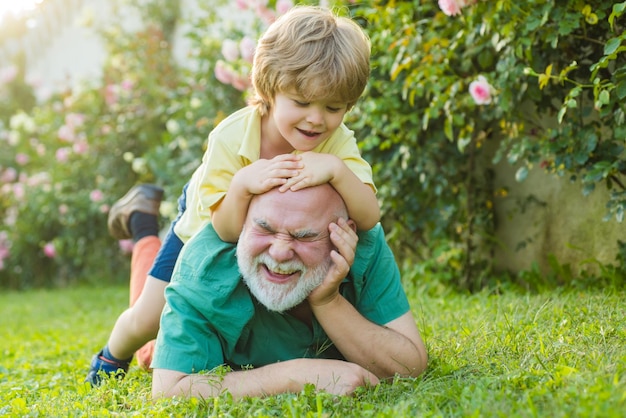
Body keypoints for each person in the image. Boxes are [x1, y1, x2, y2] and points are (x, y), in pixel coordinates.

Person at [85, 5, 380, 385]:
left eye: (333, 107)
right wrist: (242, 184)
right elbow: (223, 230)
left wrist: (338, 172)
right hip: (205, 231)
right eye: (302, 103)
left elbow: (369, 216)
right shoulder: (232, 136)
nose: (316, 119)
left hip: (268, 244)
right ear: (270, 90)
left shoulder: (337, 144)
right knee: (149, 318)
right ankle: (112, 355)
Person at [151, 184, 428, 399]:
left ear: (343, 234)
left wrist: (327, 301)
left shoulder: (365, 248)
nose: (280, 253)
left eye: (304, 236)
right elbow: (167, 391)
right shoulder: (201, 266)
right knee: (145, 336)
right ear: (242, 223)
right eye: (264, 229)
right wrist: (293, 375)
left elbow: (409, 369)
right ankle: (142, 227)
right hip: (165, 310)